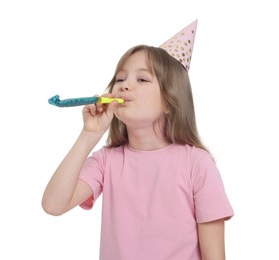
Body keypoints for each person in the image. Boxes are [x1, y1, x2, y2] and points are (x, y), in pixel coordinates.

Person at [42, 20, 234, 260]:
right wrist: (89, 136)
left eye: (142, 80)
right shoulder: (106, 162)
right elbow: (53, 205)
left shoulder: (197, 164)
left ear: (170, 100)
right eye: (120, 79)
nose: (124, 86)